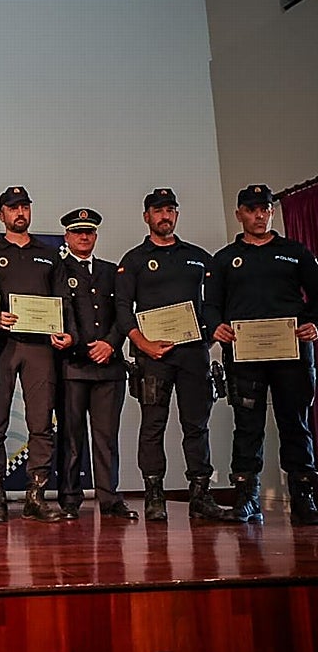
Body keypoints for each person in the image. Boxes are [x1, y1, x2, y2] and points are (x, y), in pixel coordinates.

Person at [115, 188, 235, 522]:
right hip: (152, 356)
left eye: (170, 210)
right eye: (158, 211)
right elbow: (123, 309)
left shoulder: (199, 257)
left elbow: (213, 305)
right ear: (146, 217)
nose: (164, 216)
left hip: (194, 354)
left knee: (197, 425)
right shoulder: (134, 259)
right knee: (153, 426)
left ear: (176, 215)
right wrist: (142, 344)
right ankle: (155, 495)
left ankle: (200, 495)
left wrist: (211, 334)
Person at [205, 184, 318, 525]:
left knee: (295, 424)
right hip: (245, 356)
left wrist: (313, 324)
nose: (258, 215)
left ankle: (303, 496)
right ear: (239, 214)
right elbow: (210, 305)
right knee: (247, 427)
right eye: (251, 210)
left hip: (292, 353)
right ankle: (247, 497)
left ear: (271, 212)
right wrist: (216, 327)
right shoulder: (224, 259)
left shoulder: (295, 252)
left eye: (264, 209)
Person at [0, 186, 74, 522]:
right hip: (2, 345)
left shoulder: (49, 254)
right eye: (12, 207)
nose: (20, 213)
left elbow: (64, 300)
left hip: (40, 349)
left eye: (24, 207)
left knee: (40, 423)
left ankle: (36, 493)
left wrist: (68, 332)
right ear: (1, 214)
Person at [54, 208, 138, 520]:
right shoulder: (58, 269)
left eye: (88, 231)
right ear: (67, 237)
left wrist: (111, 343)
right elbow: (62, 310)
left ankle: (110, 498)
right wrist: (78, 342)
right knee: (71, 437)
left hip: (109, 367)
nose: (84, 236)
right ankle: (70, 499)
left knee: (106, 438)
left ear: (95, 236)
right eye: (77, 232)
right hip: (73, 366)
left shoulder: (111, 271)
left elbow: (123, 312)